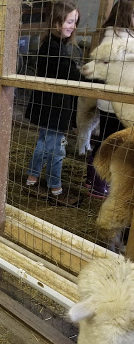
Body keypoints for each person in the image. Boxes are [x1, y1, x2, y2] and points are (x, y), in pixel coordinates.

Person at [25, 1, 82, 202]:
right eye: (69, 21)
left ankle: (32, 179)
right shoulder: (54, 50)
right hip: (55, 109)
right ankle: (55, 187)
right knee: (57, 148)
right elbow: (74, 75)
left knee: (44, 142)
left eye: (75, 22)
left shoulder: (52, 44)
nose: (73, 26)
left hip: (48, 108)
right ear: (56, 22)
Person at [84, 0, 133, 198]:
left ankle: (98, 179)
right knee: (108, 141)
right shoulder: (115, 38)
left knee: (112, 141)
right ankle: (96, 181)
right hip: (113, 102)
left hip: (121, 102)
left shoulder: (125, 36)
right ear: (124, 14)